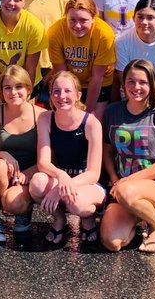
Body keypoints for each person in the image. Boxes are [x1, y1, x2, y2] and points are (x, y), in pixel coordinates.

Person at [100, 59, 155, 254]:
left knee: (126, 191)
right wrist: (115, 179)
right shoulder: (112, 112)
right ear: (123, 84)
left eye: (143, 82)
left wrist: (129, 181)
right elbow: (108, 151)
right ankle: (140, 217)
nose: (136, 87)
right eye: (131, 81)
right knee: (111, 242)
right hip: (124, 189)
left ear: (152, 84)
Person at [29, 70, 105, 246]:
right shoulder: (45, 118)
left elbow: (94, 173)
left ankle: (89, 218)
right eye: (56, 91)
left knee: (76, 204)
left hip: (88, 183)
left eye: (67, 91)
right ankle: (59, 219)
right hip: (62, 179)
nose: (61, 96)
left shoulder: (91, 123)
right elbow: (43, 162)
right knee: (37, 182)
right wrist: (61, 175)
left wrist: (60, 188)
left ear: (78, 95)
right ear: (50, 95)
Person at [0, 65, 42, 242]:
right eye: (7, 88)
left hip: (30, 175)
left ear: (28, 89)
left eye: (19, 87)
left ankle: (24, 210)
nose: (13, 92)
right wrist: (2, 154)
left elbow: (52, 156)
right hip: (2, 173)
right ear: (1, 91)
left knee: (13, 203)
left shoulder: (42, 116)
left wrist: (28, 173)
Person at [46, 0, 117, 112]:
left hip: (98, 82)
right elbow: (62, 74)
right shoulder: (55, 32)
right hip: (69, 80)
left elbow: (97, 77)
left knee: (94, 118)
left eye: (83, 20)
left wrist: (86, 114)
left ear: (93, 18)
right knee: (67, 114)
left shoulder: (104, 34)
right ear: (65, 17)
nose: (77, 26)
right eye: (72, 20)